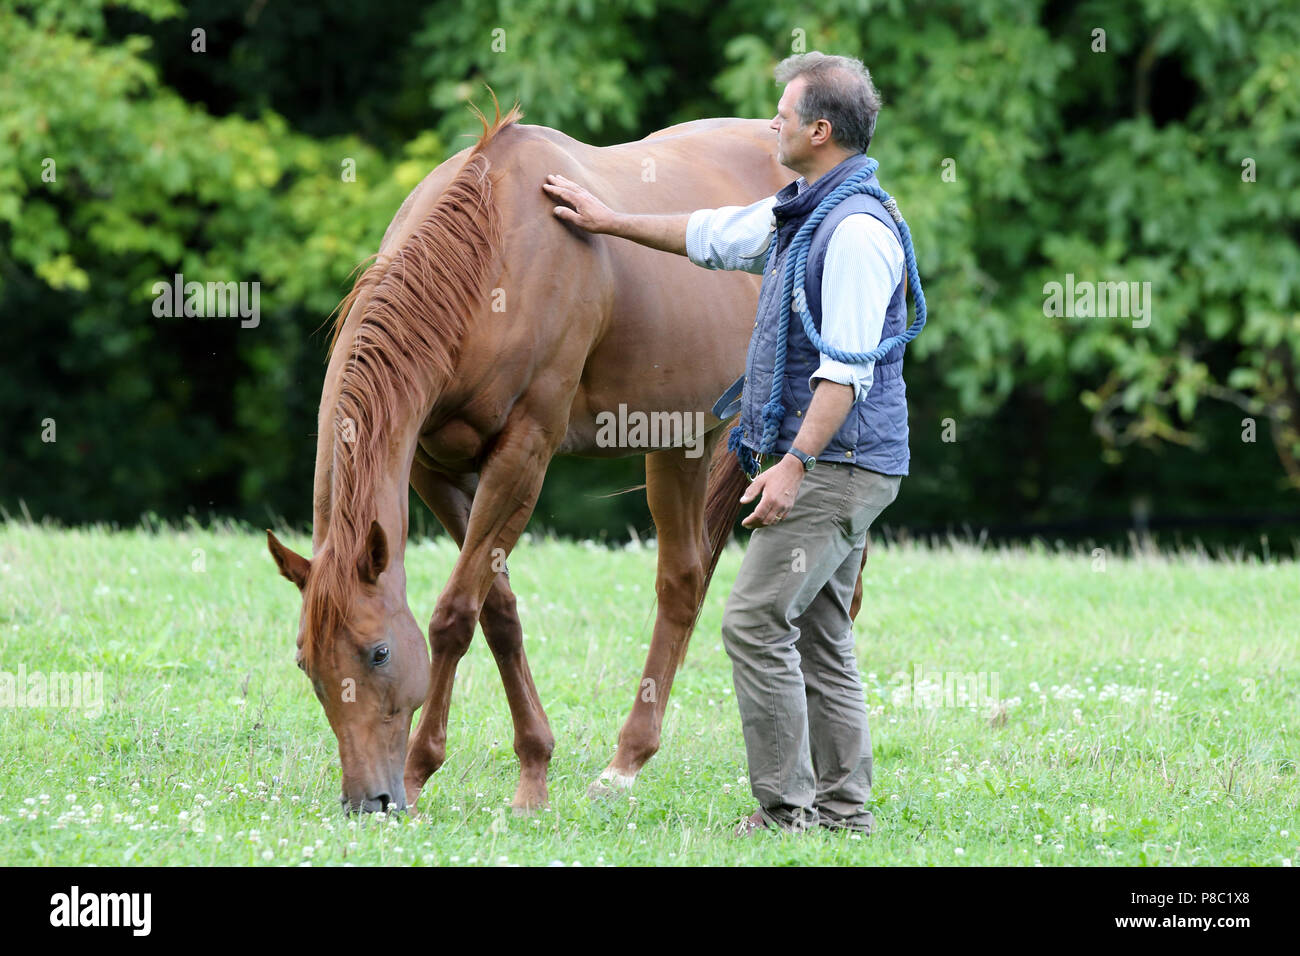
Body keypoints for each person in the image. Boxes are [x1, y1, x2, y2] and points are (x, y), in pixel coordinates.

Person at [542, 51, 910, 836]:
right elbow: (709, 235)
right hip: (840, 461)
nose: (769, 123)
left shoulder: (853, 234)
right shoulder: (804, 209)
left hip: (836, 463)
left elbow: (844, 376)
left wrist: (792, 465)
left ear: (820, 129)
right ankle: (845, 812)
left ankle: (786, 813)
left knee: (752, 621)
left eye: (782, 113)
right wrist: (608, 219)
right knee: (822, 630)